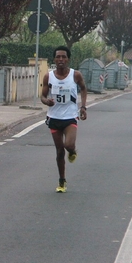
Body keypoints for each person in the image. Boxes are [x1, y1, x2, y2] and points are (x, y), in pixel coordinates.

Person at [41, 46, 87, 193]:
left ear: (68, 59)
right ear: (54, 59)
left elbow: (84, 89)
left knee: (68, 145)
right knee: (60, 152)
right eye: (58, 57)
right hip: (54, 118)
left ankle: (72, 151)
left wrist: (83, 107)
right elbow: (42, 96)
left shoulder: (75, 75)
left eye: (64, 57)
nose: (61, 59)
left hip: (70, 118)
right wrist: (46, 101)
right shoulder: (49, 76)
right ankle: (62, 181)